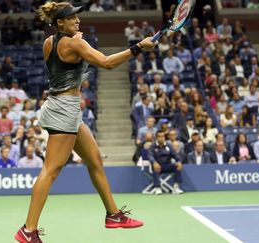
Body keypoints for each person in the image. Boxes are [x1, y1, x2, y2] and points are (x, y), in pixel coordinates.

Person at [15, 2, 155, 241]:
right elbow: (107, 63)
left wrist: (77, 44)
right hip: (64, 111)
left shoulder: (50, 42)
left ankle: (113, 214)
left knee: (95, 160)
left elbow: (66, 60)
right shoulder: (77, 43)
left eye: (78, 17)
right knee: (51, 169)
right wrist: (139, 47)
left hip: (59, 107)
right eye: (72, 18)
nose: (78, 21)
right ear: (60, 22)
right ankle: (28, 230)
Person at [148, 131, 184, 195]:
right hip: (157, 166)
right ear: (156, 137)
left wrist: (179, 161)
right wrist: (154, 162)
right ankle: (157, 187)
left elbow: (175, 155)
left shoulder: (168, 145)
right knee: (155, 168)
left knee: (177, 166)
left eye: (163, 136)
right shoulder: (152, 146)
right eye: (159, 136)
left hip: (167, 165)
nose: (161, 138)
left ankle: (176, 187)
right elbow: (150, 156)